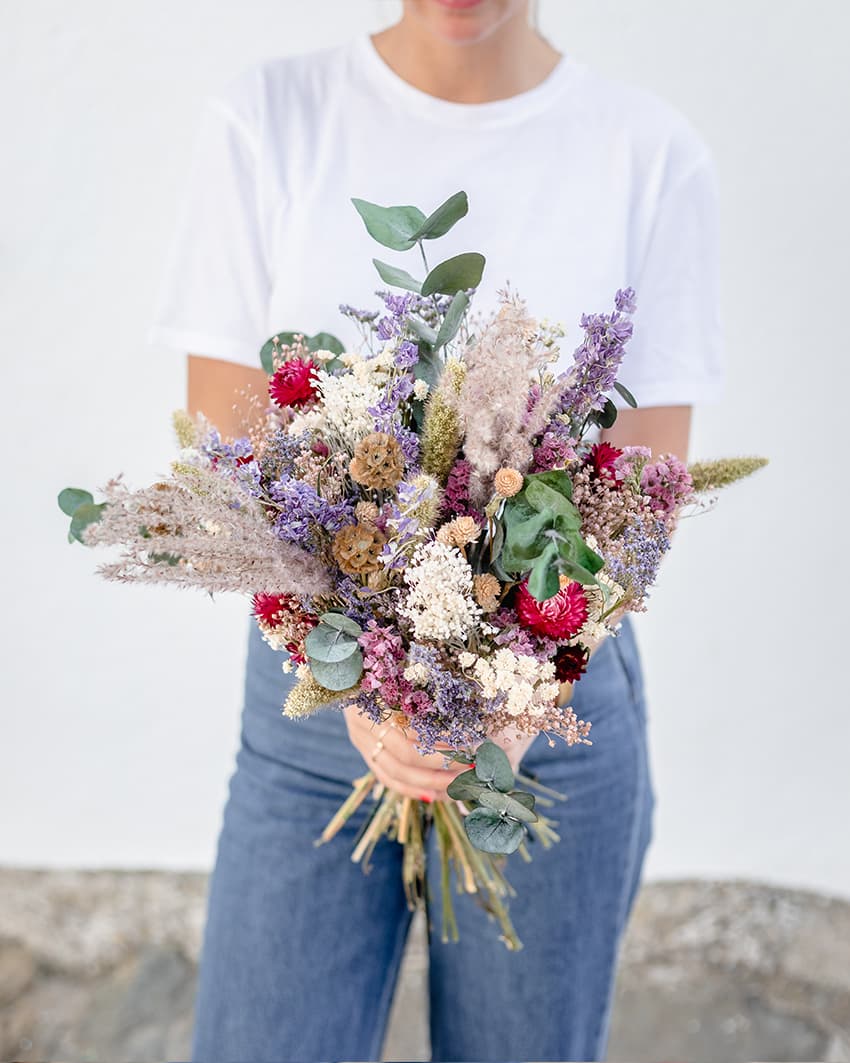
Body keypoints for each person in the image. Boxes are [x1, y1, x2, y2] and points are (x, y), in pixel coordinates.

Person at [148, 1, 723, 1059]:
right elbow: (227, 444)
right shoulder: (269, 119)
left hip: (550, 713)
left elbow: (647, 487)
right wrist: (365, 681)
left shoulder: (646, 153)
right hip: (310, 710)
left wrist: (512, 695)